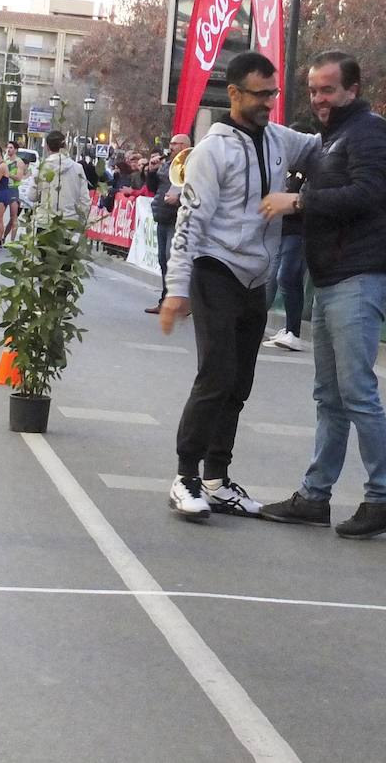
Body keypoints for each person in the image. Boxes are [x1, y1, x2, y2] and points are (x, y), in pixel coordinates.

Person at [160, 51, 321, 520]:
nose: (269, 102)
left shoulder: (277, 139)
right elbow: (189, 223)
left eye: (273, 93)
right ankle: (185, 475)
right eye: (260, 94)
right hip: (216, 270)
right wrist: (177, 289)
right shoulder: (212, 151)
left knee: (239, 382)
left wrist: (360, 131)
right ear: (233, 93)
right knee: (216, 375)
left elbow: (320, 148)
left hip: (258, 278)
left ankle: (216, 478)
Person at [258, 49, 386, 539]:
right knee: (331, 395)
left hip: (360, 276)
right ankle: (315, 495)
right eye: (314, 90)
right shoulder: (333, 138)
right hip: (334, 278)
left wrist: (298, 200)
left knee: (357, 392)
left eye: (328, 89)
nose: (319, 98)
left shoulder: (371, 133)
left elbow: (367, 194)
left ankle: (382, 498)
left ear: (352, 90)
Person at [263, 123, 312, 352]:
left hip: (298, 230)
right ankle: (259, 325)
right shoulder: (281, 167)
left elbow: (307, 198)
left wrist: (291, 202)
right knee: (270, 278)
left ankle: (294, 331)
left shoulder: (309, 168)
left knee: (287, 276)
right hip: (278, 230)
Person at [146, 132, 191, 314]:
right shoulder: (165, 165)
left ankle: (181, 301)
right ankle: (166, 300)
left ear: (184, 146)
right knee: (163, 260)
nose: (170, 147)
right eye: (171, 143)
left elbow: (196, 190)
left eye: (175, 143)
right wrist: (151, 170)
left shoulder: (191, 164)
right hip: (162, 217)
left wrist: (179, 198)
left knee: (172, 260)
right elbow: (152, 188)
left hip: (177, 218)